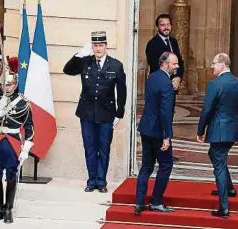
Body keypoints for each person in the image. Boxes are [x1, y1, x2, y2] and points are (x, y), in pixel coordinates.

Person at [63, 31, 127, 193]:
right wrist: (79, 55)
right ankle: (92, 181)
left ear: (106, 46)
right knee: (90, 148)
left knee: (104, 148)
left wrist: (120, 113)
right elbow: (67, 70)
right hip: (87, 113)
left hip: (107, 113)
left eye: (101, 45)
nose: (98, 49)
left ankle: (102, 181)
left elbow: (122, 90)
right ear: (92, 47)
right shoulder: (85, 62)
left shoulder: (116, 65)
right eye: (95, 45)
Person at [196, 53, 238, 218]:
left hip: (219, 131)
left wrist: (200, 130)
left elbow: (207, 109)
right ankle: (230, 188)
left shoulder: (215, 84)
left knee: (218, 164)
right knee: (215, 155)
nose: (212, 66)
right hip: (233, 130)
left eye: (214, 63)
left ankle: (224, 207)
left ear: (223, 64)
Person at [0, 60, 34, 224]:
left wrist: (26, 148)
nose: (7, 87)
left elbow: (29, 127)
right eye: (5, 85)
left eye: (10, 85)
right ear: (0, 85)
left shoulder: (23, 103)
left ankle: (8, 209)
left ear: (15, 85)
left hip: (12, 142)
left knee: (11, 175)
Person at [134, 52, 178, 215]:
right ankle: (156, 201)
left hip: (146, 128)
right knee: (166, 165)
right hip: (159, 132)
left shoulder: (152, 77)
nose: (177, 66)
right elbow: (165, 112)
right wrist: (167, 136)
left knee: (146, 167)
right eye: (174, 64)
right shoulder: (166, 84)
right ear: (165, 64)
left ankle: (139, 203)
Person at [145, 13, 184, 162]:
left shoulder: (173, 41)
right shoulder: (152, 44)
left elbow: (180, 62)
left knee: (168, 117)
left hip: (171, 86)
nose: (166, 27)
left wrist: (178, 77)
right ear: (158, 27)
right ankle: (158, 152)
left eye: (168, 24)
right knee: (159, 116)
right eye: (163, 25)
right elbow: (156, 67)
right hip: (159, 88)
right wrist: (169, 81)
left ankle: (166, 150)